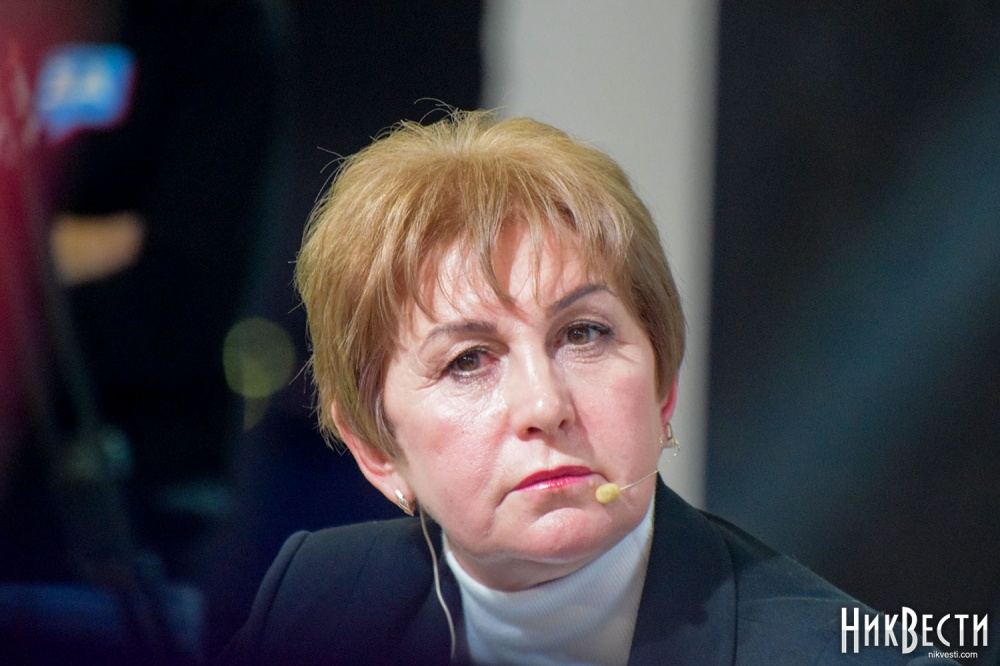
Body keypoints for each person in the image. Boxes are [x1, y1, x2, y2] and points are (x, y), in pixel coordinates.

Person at [223, 110, 955, 665]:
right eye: (469, 360)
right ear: (376, 450)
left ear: (662, 388)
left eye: (583, 334)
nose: (545, 406)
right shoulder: (316, 597)